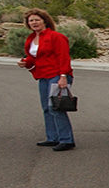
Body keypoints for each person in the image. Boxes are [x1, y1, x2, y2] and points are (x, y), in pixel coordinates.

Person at [16, 9, 76, 151]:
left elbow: (63, 57)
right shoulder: (31, 39)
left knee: (55, 107)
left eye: (37, 19)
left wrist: (63, 76)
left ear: (44, 21)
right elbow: (33, 58)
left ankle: (67, 140)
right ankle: (52, 137)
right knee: (46, 108)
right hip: (43, 76)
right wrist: (26, 62)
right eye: (31, 21)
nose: (34, 23)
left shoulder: (56, 37)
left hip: (57, 75)